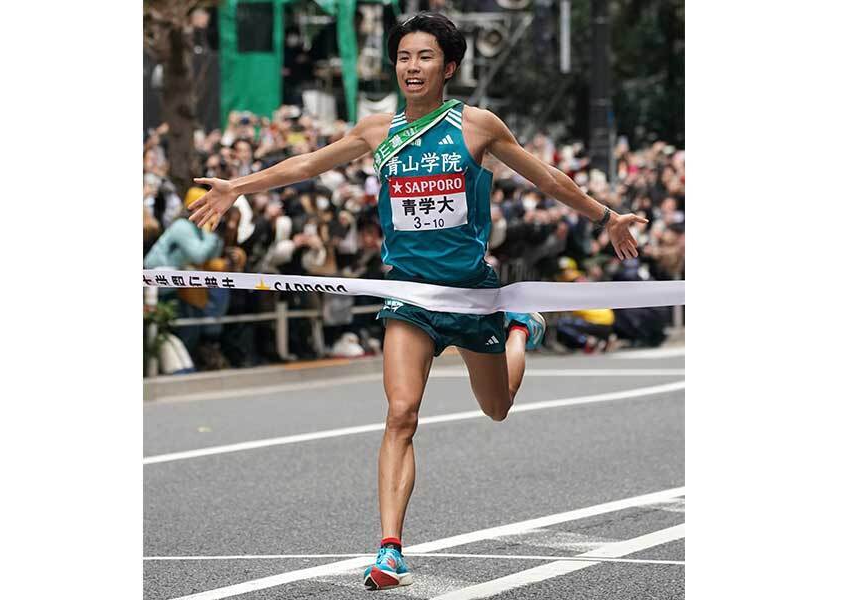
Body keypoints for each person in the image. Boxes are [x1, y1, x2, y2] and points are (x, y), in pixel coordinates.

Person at [186, 12, 646, 591]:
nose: (412, 66)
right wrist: (237, 187)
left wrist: (605, 217)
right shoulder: (378, 132)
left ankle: (520, 329)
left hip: (473, 295)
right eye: (404, 57)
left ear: (448, 67)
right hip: (407, 295)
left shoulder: (477, 126)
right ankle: (390, 548)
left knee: (497, 407)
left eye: (425, 57)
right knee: (401, 413)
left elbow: (547, 178)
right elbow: (306, 163)